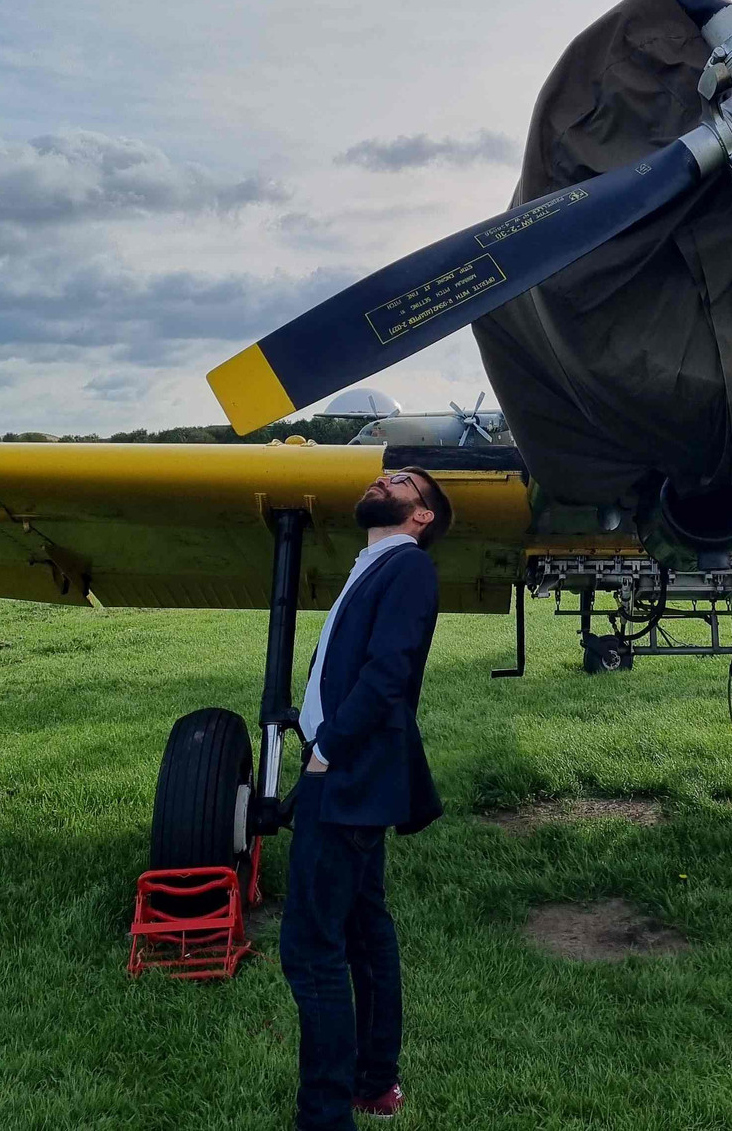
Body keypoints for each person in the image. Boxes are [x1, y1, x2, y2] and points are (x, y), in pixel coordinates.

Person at [280, 467, 453, 1129]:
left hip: (344, 776)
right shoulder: (374, 563)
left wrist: (328, 751)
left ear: (422, 516)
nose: (386, 478)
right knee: (363, 930)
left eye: (404, 481)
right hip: (351, 774)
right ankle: (375, 1083)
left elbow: (388, 672)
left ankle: (324, 1117)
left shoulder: (406, 568)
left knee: (311, 950)